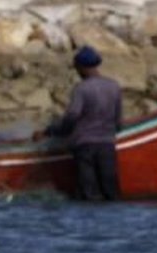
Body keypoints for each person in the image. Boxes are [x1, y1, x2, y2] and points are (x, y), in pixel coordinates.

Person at [35, 46, 123, 201]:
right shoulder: (114, 87)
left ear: (81, 67)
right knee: (111, 191)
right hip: (107, 145)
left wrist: (50, 131)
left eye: (76, 68)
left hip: (85, 147)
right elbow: (118, 121)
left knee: (88, 194)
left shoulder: (81, 89)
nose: (76, 71)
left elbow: (72, 117)